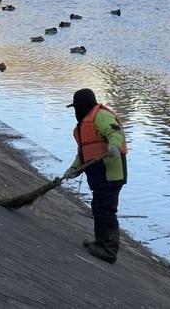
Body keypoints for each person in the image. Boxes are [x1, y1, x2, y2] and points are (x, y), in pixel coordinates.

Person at [62, 89, 128, 264]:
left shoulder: (102, 117)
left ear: (82, 106)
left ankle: (108, 250)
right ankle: (100, 243)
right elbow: (83, 154)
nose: (75, 111)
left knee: (106, 209)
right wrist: (74, 169)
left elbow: (116, 133)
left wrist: (114, 146)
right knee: (98, 207)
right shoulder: (84, 125)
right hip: (98, 175)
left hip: (111, 174)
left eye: (76, 107)